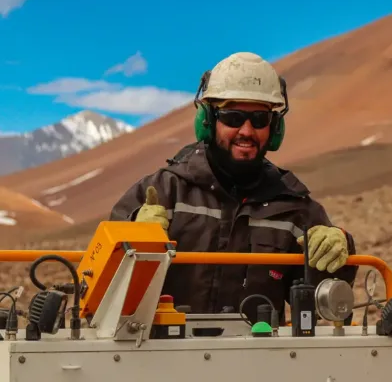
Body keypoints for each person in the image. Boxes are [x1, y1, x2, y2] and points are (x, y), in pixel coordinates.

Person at [109, 51, 358, 323]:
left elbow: (324, 304)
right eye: (233, 118)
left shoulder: (295, 208)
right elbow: (106, 286)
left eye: (260, 120)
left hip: (257, 361)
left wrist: (339, 251)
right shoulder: (163, 193)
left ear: (275, 128)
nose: (247, 131)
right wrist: (131, 236)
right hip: (162, 355)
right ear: (208, 120)